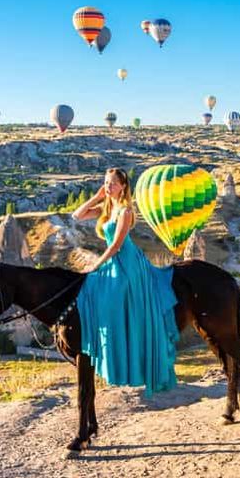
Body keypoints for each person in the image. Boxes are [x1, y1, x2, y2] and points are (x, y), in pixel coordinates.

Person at [71, 168, 179, 396]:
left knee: (112, 298)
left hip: (127, 262)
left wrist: (95, 264)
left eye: (112, 183)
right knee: (90, 290)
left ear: (123, 186)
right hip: (112, 260)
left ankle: (123, 346)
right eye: (106, 182)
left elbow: (116, 245)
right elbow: (77, 215)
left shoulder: (125, 211)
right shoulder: (106, 207)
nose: (108, 186)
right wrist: (97, 196)